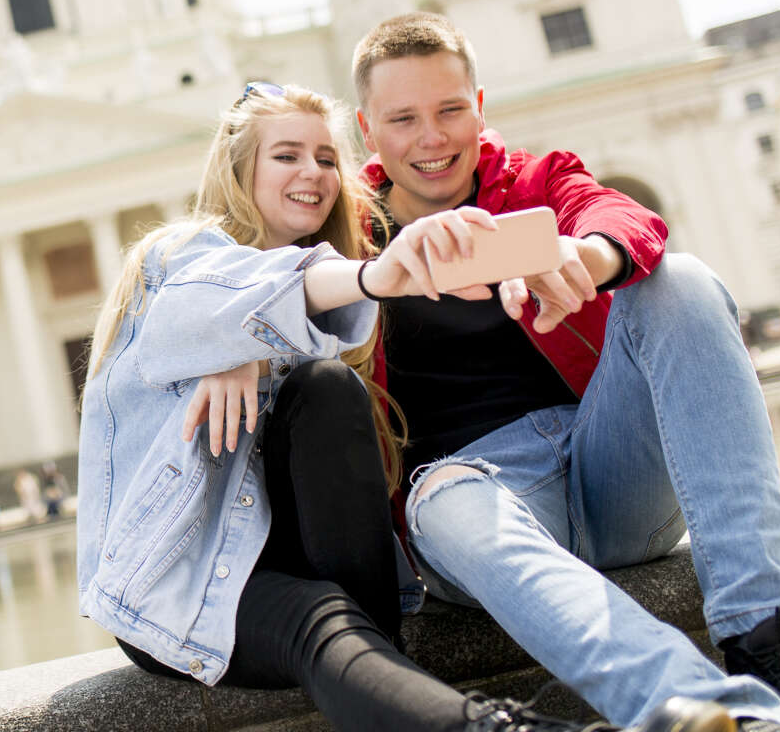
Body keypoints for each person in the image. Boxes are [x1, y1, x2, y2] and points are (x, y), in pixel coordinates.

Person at [77, 81, 726, 732]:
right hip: (189, 567)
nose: (313, 173)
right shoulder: (181, 257)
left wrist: (263, 333)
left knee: (330, 389)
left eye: (327, 159)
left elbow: (298, 306)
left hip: (322, 567)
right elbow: (203, 306)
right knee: (323, 624)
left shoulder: (326, 289)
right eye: (287, 156)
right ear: (237, 167)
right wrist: (255, 326)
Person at [351, 13, 780, 731]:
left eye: (450, 110)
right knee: (441, 497)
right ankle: (708, 711)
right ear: (368, 131)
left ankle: (768, 635)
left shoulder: (538, 181)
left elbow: (616, 213)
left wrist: (588, 258)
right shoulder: (348, 237)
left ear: (479, 108)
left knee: (681, 281)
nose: (432, 137)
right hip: (476, 501)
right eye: (404, 118)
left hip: (610, 467)